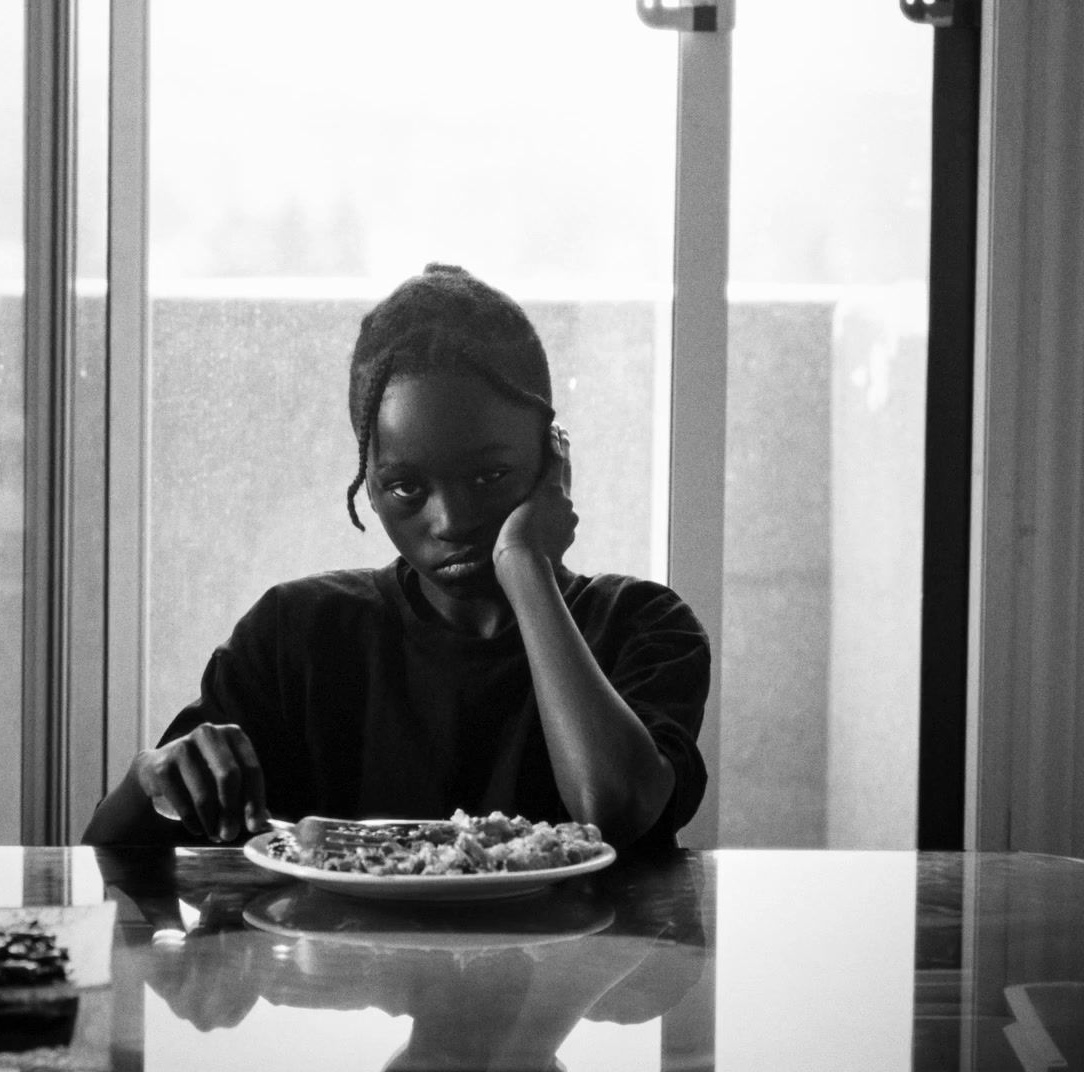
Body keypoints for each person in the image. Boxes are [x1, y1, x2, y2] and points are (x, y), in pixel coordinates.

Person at [82, 264, 709, 850]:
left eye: (490, 476)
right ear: (370, 488)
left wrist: (523, 563)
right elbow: (102, 856)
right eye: (407, 487)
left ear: (551, 464)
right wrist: (150, 776)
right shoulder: (297, 635)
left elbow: (615, 809)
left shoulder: (643, 627)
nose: (452, 521)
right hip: (335, 971)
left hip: (579, 970)